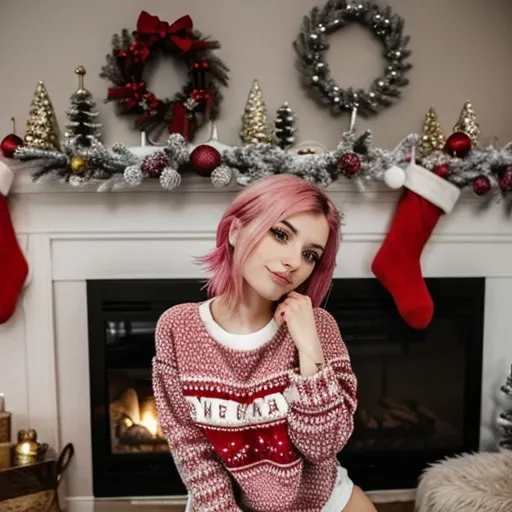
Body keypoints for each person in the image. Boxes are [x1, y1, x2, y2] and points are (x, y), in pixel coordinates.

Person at [152, 174, 377, 512]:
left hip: (320, 500)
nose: (294, 263)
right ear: (236, 230)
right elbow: (189, 443)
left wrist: (310, 350)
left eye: (310, 254)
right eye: (281, 234)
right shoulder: (178, 327)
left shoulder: (319, 327)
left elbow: (323, 446)